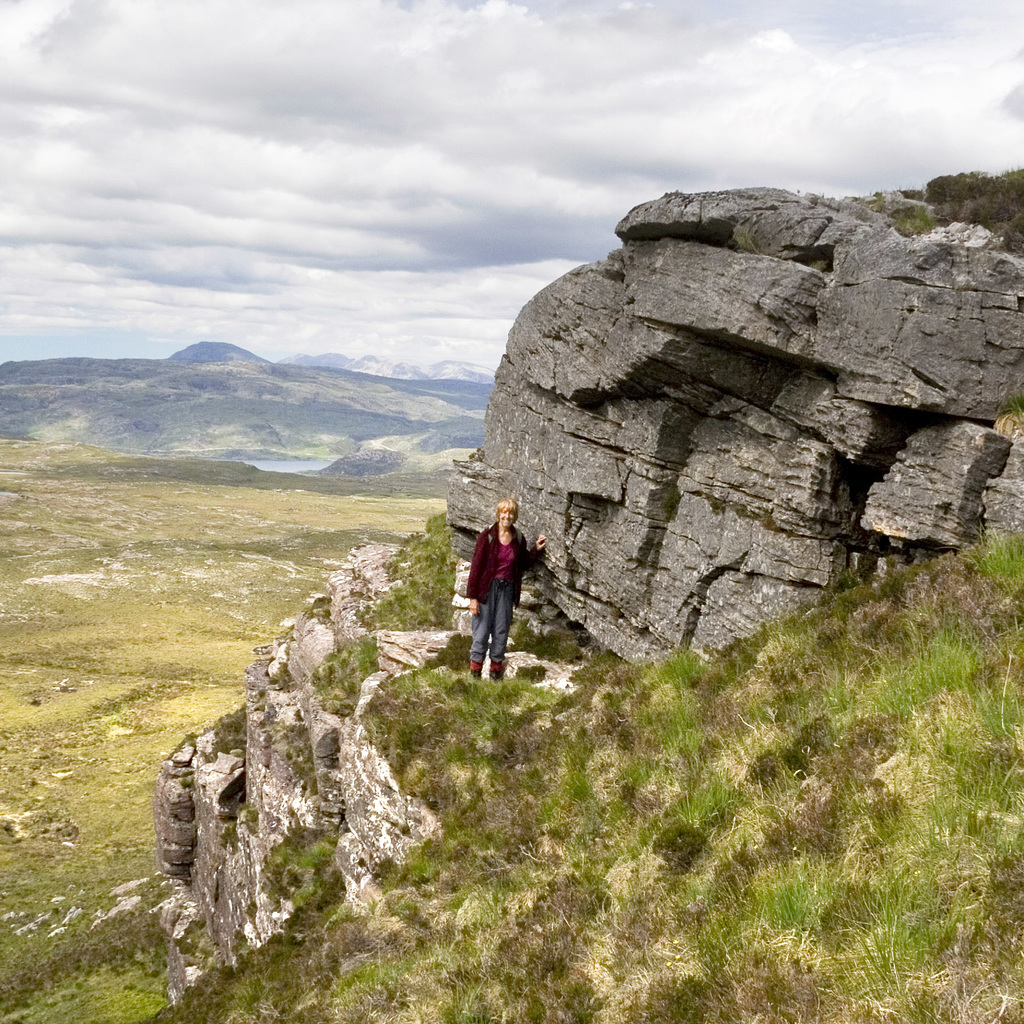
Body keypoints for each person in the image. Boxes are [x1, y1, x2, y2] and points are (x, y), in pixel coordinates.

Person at [467, 497, 546, 680]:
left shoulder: (518, 538)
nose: (506, 516)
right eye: (504, 512)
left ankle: (496, 675)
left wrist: (536, 549)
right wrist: (472, 598)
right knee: (481, 632)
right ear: (498, 514)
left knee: (501, 631)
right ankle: (474, 676)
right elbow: (476, 568)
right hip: (486, 590)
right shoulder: (487, 536)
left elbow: (523, 563)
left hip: (507, 590)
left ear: (514, 516)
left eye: (510, 513)